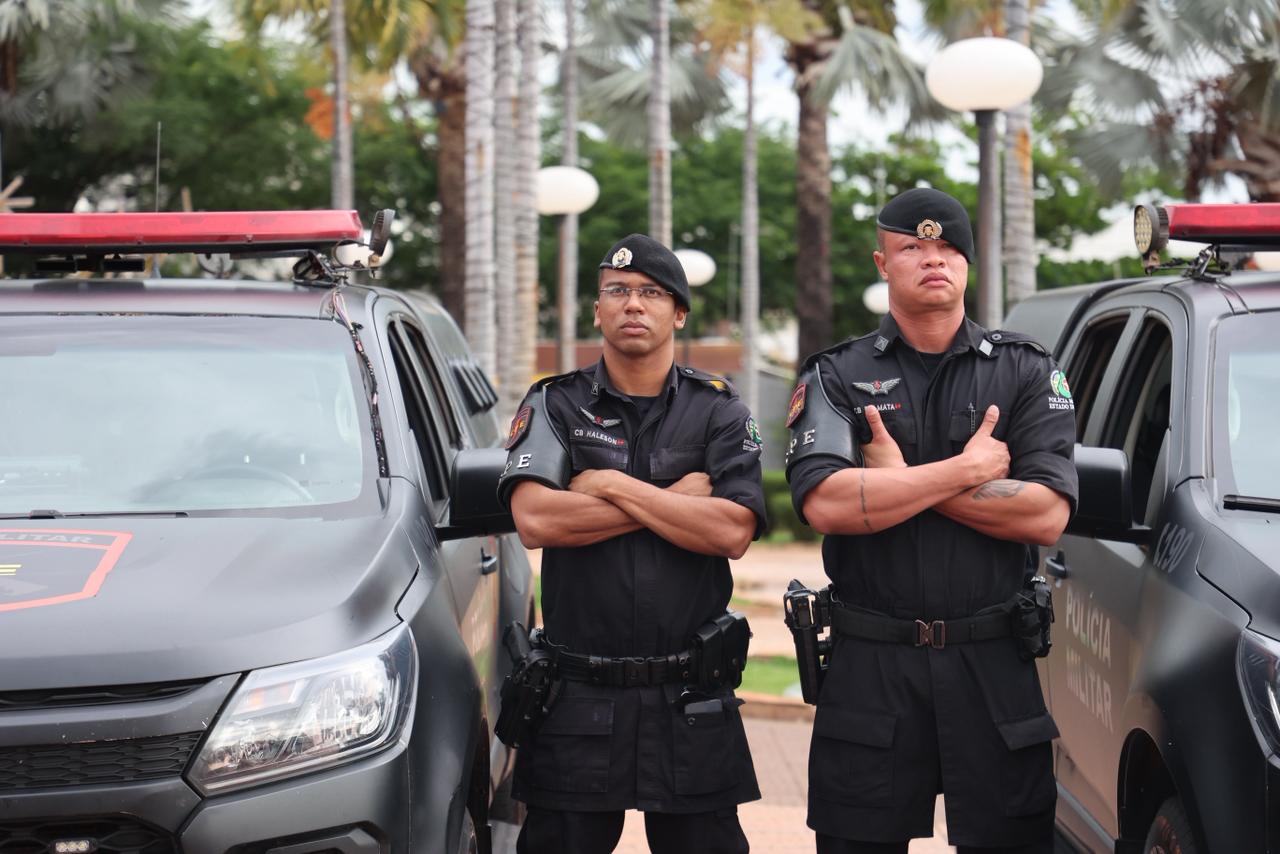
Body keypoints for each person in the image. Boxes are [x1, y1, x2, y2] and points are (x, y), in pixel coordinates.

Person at [785, 188, 1077, 854]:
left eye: (948, 247)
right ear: (882, 262)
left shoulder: (1024, 370)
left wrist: (897, 481)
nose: (934, 259)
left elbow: (1046, 513)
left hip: (992, 661)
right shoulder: (837, 375)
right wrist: (966, 471)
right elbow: (826, 503)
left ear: (968, 263)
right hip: (871, 665)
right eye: (914, 247)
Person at [497, 233, 767, 854]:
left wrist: (612, 485)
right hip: (576, 697)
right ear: (598, 311)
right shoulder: (554, 402)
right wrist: (675, 499)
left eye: (651, 293)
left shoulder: (719, 410)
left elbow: (731, 531)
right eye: (617, 291)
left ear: (679, 314)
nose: (633, 304)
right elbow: (536, 520)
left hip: (689, 696)